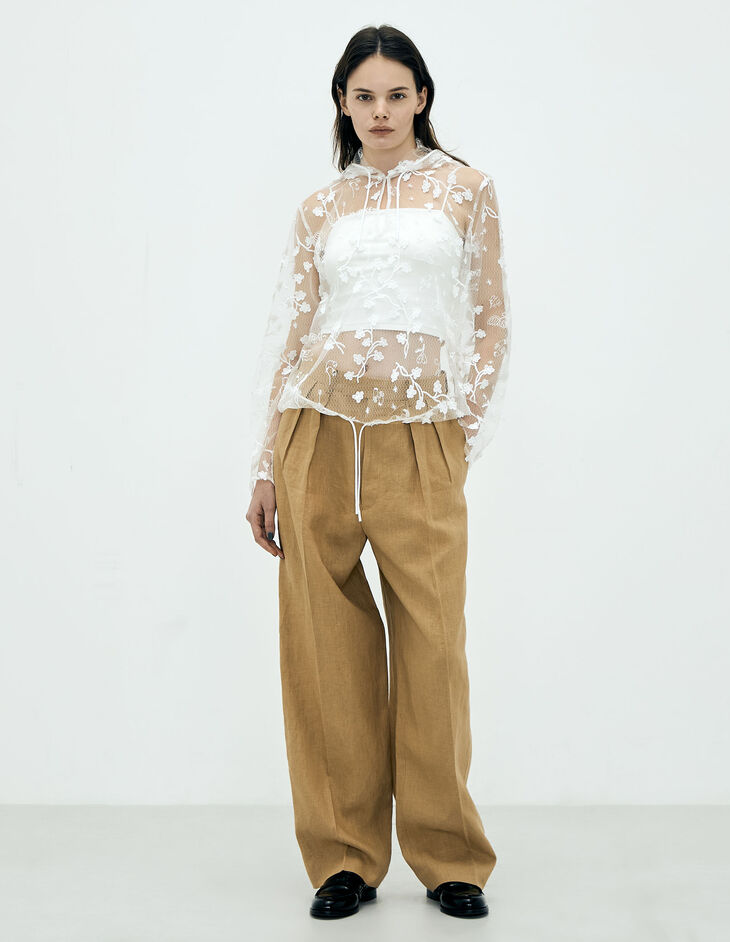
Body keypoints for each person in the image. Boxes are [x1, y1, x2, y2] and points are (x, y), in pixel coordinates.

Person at [245, 24, 510, 920]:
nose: (381, 111)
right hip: (315, 432)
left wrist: (457, 433)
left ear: (421, 98)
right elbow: (291, 332)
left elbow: (490, 321)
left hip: (419, 436)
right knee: (323, 651)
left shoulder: (466, 190)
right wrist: (266, 463)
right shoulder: (321, 207)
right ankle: (343, 858)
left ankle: (449, 857)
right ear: (343, 104)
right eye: (363, 96)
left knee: (432, 645)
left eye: (396, 94)